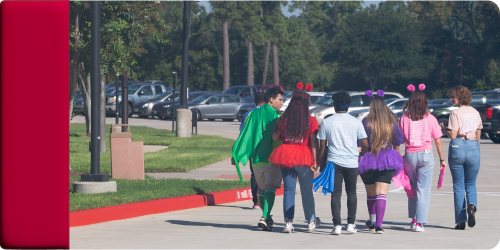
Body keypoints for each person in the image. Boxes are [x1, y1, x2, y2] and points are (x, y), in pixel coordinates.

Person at [268, 83, 321, 233]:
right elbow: (314, 142)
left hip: (286, 154)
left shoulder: (285, 120)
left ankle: (288, 223)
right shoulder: (311, 120)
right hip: (304, 156)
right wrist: (315, 161)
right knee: (306, 191)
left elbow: (275, 137)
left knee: (289, 190)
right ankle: (311, 221)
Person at [231, 88, 284, 231]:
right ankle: (265, 216)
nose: (282, 103)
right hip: (273, 158)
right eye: (280, 100)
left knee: (262, 190)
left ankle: (267, 217)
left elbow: (245, 135)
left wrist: (237, 152)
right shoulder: (279, 117)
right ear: (271, 100)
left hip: (256, 159)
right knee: (271, 188)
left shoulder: (251, 115)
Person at [317, 90, 369, 235]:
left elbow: (322, 146)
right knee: (352, 192)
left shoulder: (327, 122)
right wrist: (361, 155)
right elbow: (365, 143)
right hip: (352, 161)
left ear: (334, 105)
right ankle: (351, 224)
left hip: (334, 162)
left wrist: (321, 164)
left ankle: (337, 225)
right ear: (348, 106)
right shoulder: (356, 122)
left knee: (336, 194)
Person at [399, 84, 446, 233]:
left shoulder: (404, 118)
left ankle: (413, 219)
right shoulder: (430, 118)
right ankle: (419, 222)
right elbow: (438, 140)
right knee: (423, 189)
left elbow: (399, 139)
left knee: (412, 188)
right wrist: (442, 159)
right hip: (426, 154)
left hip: (410, 155)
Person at [357, 91, 405, 234]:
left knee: (370, 194)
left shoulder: (366, 122)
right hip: (388, 159)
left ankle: (371, 222)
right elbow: (397, 144)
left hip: (368, 159)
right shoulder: (391, 123)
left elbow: (360, 144)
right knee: (381, 194)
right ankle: (379, 225)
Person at [441, 86, 482, 230]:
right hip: (473, 146)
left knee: (458, 185)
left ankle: (460, 221)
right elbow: (478, 136)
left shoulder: (455, 113)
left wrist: (445, 129)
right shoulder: (476, 113)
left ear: (460, 97)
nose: (451, 99)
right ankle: (472, 206)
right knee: (471, 183)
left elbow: (453, 135)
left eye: (453, 97)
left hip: (458, 146)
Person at [238, 92, 266, 209]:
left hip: (252, 148)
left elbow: (242, 133)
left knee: (254, 174)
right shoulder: (267, 113)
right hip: (265, 148)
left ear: (255, 101)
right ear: (265, 101)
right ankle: (264, 198)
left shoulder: (248, 114)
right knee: (266, 173)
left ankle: (256, 201)